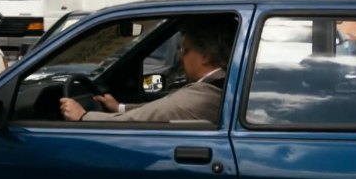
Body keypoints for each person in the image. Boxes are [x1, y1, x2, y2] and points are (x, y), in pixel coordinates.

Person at [59, 18, 235, 124]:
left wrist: (83, 116)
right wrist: (119, 106)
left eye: (185, 50)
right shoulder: (219, 85)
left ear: (206, 56)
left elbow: (143, 117)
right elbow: (159, 107)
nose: (180, 58)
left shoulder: (202, 95)